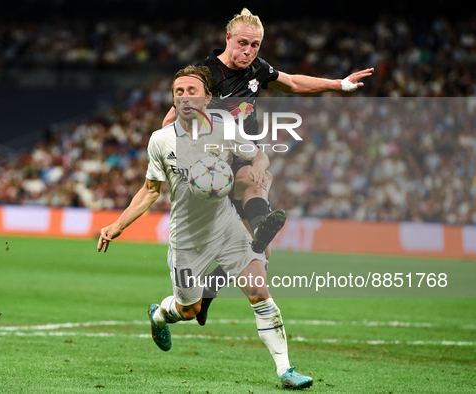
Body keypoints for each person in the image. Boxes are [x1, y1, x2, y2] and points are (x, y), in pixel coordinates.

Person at [98, 65, 313, 389]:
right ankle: (159, 315)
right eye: (179, 92)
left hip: (227, 227)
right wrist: (118, 224)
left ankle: (285, 370)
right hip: (187, 240)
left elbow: (259, 156)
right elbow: (150, 190)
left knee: (259, 291)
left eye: (192, 91)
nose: (185, 97)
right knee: (188, 310)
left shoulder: (225, 127)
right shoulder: (161, 140)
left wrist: (256, 167)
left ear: (208, 97)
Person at [162, 8, 374, 325]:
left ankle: (211, 288)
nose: (248, 51)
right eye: (243, 43)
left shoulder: (257, 70)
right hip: (211, 169)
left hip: (245, 156)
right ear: (228, 38)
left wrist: (338, 85)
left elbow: (291, 83)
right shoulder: (204, 76)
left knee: (260, 245)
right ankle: (202, 293)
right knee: (253, 201)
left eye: (255, 45)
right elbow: (169, 122)